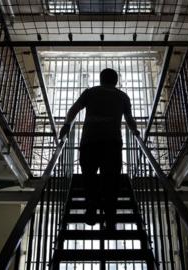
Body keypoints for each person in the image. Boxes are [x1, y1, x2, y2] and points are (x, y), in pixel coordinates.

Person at [59, 68, 139, 230]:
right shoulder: (123, 97)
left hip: (90, 142)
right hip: (112, 143)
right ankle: (110, 218)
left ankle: (91, 210)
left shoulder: (90, 93)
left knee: (89, 178)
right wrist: (136, 132)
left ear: (101, 79)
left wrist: (66, 125)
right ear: (116, 81)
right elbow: (130, 119)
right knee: (111, 181)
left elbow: (74, 109)